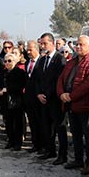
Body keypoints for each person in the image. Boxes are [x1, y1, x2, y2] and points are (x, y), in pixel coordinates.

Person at [57, 35, 89, 175]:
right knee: (75, 133)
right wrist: (61, 94)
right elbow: (61, 78)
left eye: (81, 44)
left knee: (88, 135)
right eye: (77, 44)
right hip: (70, 104)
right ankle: (78, 159)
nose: (78, 47)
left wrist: (71, 96)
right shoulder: (72, 62)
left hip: (85, 104)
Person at [37, 33, 68, 163]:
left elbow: (58, 80)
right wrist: (39, 93)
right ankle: (50, 150)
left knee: (60, 128)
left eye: (45, 43)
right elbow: (38, 79)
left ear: (52, 42)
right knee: (47, 127)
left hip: (55, 99)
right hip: (43, 99)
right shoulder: (42, 59)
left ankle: (62, 155)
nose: (43, 46)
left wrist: (48, 95)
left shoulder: (60, 59)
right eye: (41, 44)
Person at [3, 52, 27, 150]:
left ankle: (18, 143)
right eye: (5, 61)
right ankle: (11, 141)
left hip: (17, 100)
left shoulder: (19, 72)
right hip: (6, 101)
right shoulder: (4, 73)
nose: (7, 63)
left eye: (9, 61)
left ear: (15, 61)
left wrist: (8, 89)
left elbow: (20, 86)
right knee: (8, 122)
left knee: (17, 123)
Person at [22, 40, 43, 152]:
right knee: (32, 122)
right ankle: (35, 144)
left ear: (36, 49)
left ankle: (43, 145)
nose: (28, 52)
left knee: (40, 122)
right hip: (29, 98)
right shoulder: (27, 63)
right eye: (27, 50)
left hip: (39, 98)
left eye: (30, 49)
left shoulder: (42, 61)